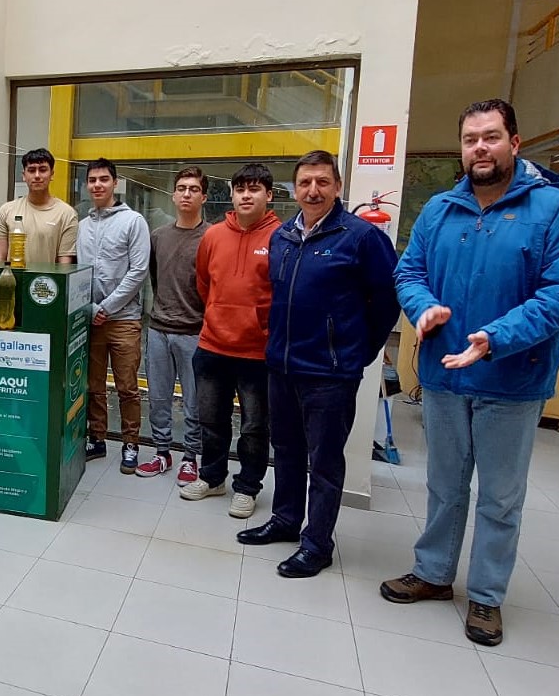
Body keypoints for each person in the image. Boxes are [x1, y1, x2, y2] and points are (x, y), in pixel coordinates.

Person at [380, 99, 559, 646]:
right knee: (444, 486)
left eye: (491, 137)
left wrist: (497, 338)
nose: (480, 148)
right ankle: (433, 574)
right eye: (471, 138)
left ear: (514, 143)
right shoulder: (440, 210)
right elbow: (410, 270)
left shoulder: (554, 209)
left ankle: (487, 597)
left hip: (512, 381)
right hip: (446, 377)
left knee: (499, 497)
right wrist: (422, 306)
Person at [237, 151, 400, 578]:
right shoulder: (283, 237)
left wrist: (359, 353)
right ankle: (286, 520)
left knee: (325, 461)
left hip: (329, 372)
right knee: (286, 450)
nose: (313, 190)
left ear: (338, 187)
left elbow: (387, 302)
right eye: (305, 182)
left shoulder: (361, 237)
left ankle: (317, 543)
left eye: (322, 182)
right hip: (282, 365)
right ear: (294, 188)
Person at [179, 163, 282, 519]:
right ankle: (212, 476)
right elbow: (205, 284)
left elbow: (281, 294)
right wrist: (220, 315)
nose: (246, 195)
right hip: (212, 346)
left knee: (255, 424)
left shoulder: (280, 238)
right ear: (232, 194)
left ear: (269, 195)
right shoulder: (213, 236)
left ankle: (248, 485)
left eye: (254, 189)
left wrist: (257, 323)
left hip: (257, 352)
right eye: (240, 189)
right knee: (211, 418)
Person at [75, 158, 149, 472]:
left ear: (114, 183)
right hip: (92, 319)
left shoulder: (134, 222)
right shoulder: (83, 225)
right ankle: (97, 438)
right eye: (92, 180)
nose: (97, 185)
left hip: (124, 319)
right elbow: (79, 271)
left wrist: (106, 308)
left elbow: (138, 272)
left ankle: (131, 443)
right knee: (92, 385)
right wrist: (91, 309)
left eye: (103, 179)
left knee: (127, 387)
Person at [139, 166, 209, 482]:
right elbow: (155, 278)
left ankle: (191, 457)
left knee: (194, 401)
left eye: (193, 189)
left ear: (204, 196)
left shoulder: (212, 237)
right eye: (181, 188)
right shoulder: (158, 236)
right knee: (158, 397)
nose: (186, 194)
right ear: (173, 194)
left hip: (195, 332)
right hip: (158, 329)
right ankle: (162, 453)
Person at [0, 148, 78, 265]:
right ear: (24, 175)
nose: (37, 176)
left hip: (48, 282)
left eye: (43, 170)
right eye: (31, 170)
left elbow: (64, 266)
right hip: (12, 281)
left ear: (52, 174)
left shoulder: (67, 214)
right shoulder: (6, 211)